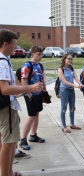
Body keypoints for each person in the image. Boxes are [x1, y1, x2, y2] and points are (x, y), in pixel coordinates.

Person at [0, 30, 42, 176]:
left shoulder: (4, 60)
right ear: (5, 44)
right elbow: (4, 89)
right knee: (9, 142)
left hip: (6, 107)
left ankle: (9, 172)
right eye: (14, 44)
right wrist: (29, 88)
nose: (16, 48)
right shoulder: (2, 62)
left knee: (8, 141)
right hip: (5, 107)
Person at [19, 46, 46, 150]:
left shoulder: (40, 66)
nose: (40, 56)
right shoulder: (27, 65)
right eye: (38, 54)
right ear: (32, 54)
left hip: (39, 94)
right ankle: (23, 139)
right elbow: (23, 82)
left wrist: (45, 91)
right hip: (30, 95)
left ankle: (33, 135)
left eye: (41, 54)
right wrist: (29, 94)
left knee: (36, 114)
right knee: (31, 116)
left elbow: (42, 79)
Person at [58, 54, 83, 133]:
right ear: (64, 59)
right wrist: (74, 85)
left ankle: (72, 124)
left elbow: (76, 78)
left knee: (72, 107)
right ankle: (64, 126)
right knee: (64, 109)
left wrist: (80, 83)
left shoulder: (71, 68)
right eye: (68, 59)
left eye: (71, 59)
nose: (70, 60)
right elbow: (64, 81)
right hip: (64, 90)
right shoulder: (61, 69)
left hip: (71, 90)